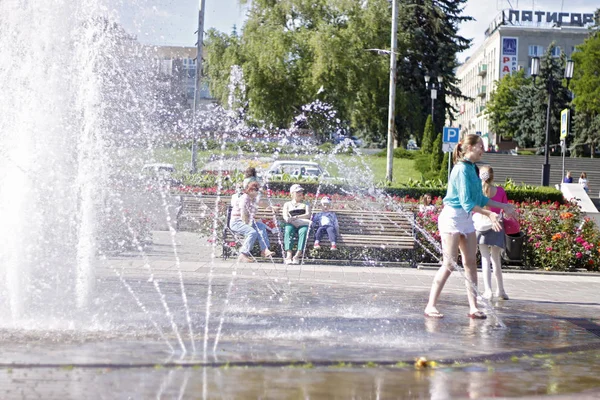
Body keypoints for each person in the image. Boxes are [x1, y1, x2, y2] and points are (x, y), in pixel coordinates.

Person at [423, 134, 516, 319]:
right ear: (469, 148)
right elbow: (466, 203)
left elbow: (479, 198)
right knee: (449, 264)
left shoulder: (472, 169)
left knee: (471, 263)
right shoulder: (460, 170)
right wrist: (489, 213)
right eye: (480, 146)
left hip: (466, 219)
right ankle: (430, 305)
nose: (483, 149)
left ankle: (473, 307)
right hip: (452, 218)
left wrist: (502, 206)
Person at [475, 165, 509, 301]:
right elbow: (505, 209)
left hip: (481, 225)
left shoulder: (478, 191)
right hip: (497, 225)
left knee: (484, 258)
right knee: (496, 259)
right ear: (492, 176)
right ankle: (500, 290)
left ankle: (488, 291)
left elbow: (473, 208)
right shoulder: (500, 191)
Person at [229, 181, 274, 263]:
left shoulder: (253, 199)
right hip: (237, 222)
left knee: (261, 226)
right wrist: (249, 225)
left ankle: (264, 250)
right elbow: (244, 214)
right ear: (250, 190)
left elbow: (261, 205)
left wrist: (272, 208)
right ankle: (243, 254)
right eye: (256, 191)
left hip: (246, 221)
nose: (258, 193)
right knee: (252, 232)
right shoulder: (245, 198)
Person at [282, 184, 312, 264]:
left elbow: (308, 215)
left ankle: (297, 255)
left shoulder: (306, 204)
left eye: (301, 191)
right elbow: (285, 215)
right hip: (291, 223)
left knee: (304, 231)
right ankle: (289, 254)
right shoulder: (287, 204)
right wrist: (288, 219)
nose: (300, 193)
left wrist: (297, 217)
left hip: (302, 223)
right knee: (288, 230)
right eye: (298, 192)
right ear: (292, 193)